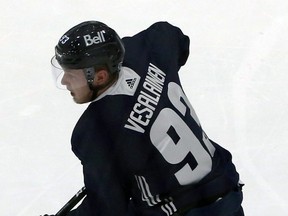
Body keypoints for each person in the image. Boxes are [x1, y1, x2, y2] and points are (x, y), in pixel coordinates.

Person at [46, 21, 244, 216]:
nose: (64, 81)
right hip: (226, 193)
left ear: (99, 77)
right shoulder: (150, 47)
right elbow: (174, 38)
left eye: (70, 74)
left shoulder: (96, 131)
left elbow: (106, 209)